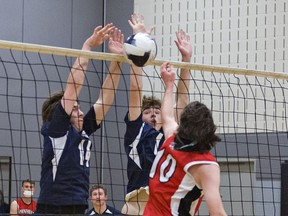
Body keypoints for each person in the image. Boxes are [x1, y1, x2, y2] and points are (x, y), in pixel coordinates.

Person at [34, 23, 124, 215]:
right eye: (75, 109)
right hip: (52, 208)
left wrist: (116, 61)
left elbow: (104, 100)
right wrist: (88, 47)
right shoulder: (57, 129)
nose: (81, 112)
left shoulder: (82, 130)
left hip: (77, 207)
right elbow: (73, 86)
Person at [122, 13, 192, 215]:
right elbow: (135, 89)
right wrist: (139, 44)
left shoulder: (170, 133)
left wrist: (186, 60)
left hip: (166, 203)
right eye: (147, 112)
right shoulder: (136, 131)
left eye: (157, 111)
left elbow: (182, 102)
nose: (153, 115)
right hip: (138, 201)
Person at [143, 62, 227, 216]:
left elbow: (167, 116)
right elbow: (218, 213)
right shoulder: (207, 166)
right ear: (209, 127)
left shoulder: (173, 138)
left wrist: (169, 85)